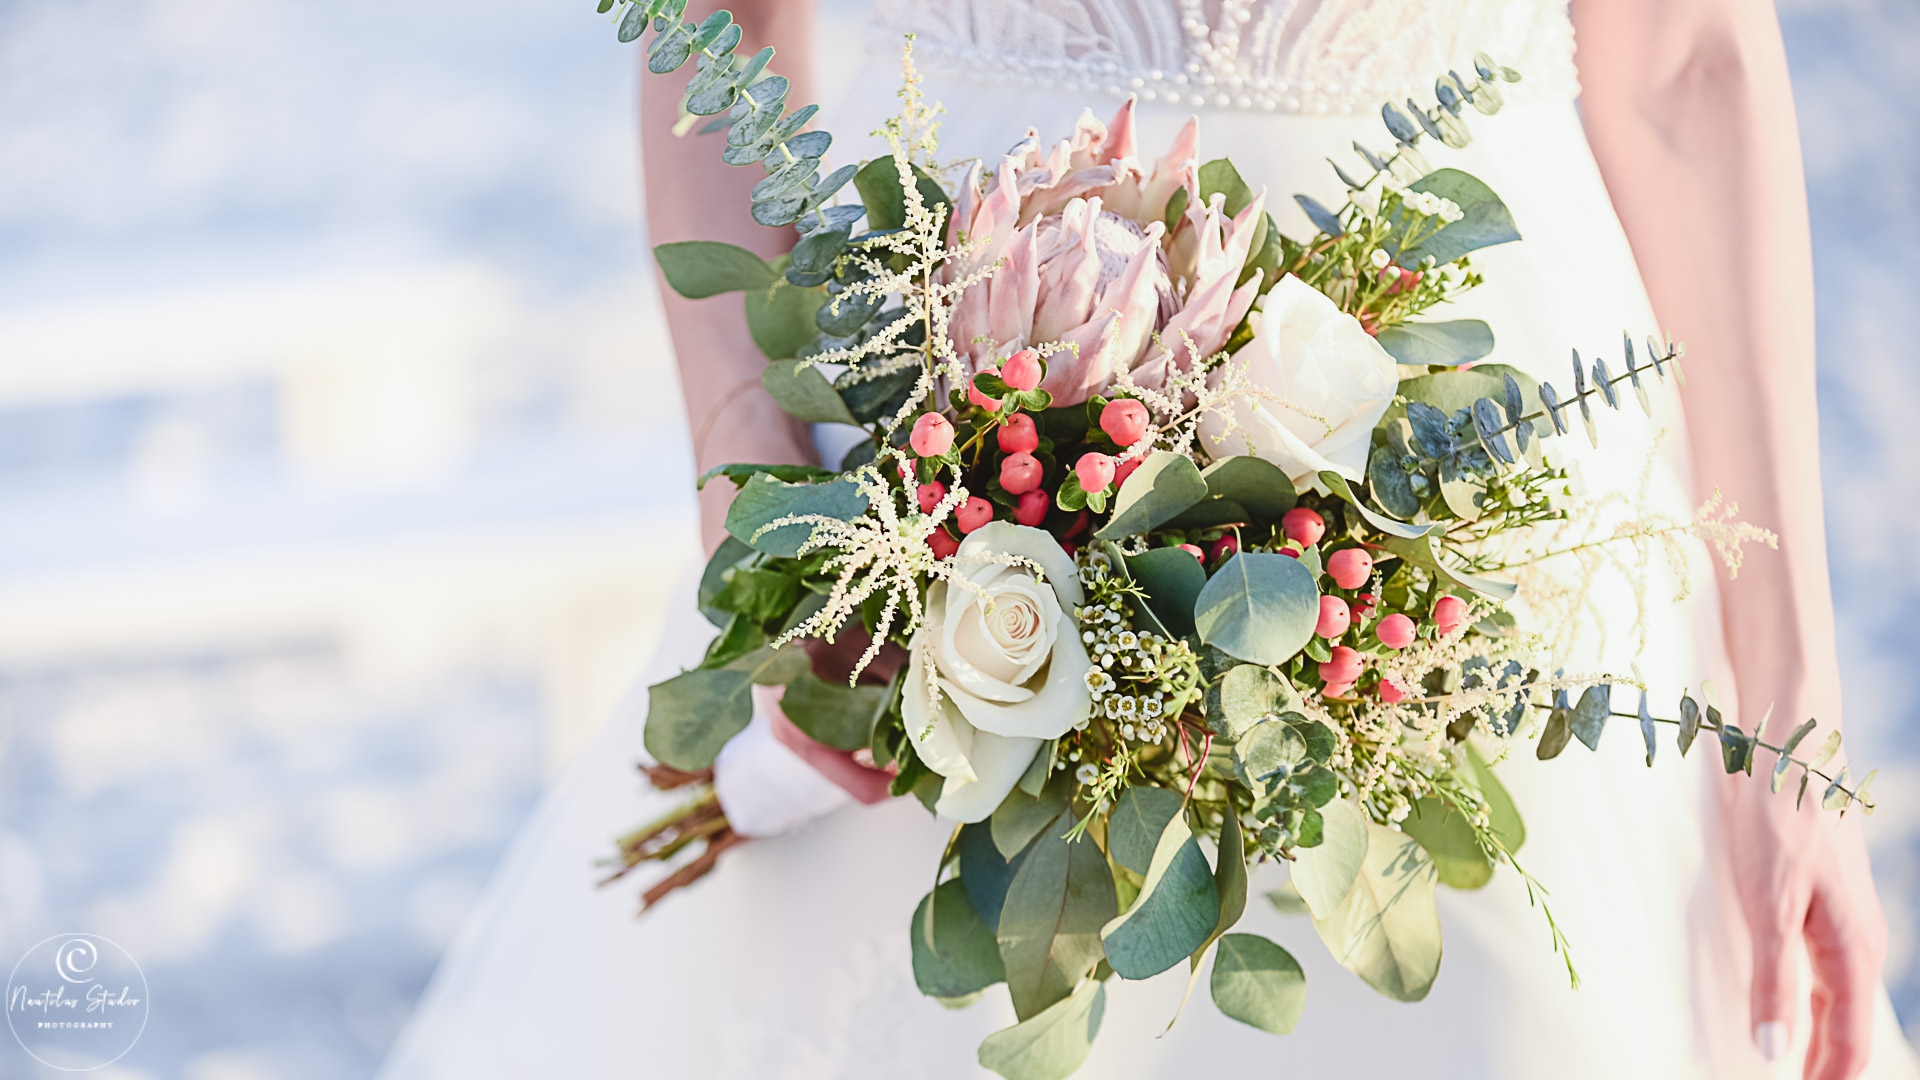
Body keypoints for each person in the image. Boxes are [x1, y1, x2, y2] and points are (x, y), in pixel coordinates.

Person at [380, 2, 1917, 1077]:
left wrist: (1787, 729)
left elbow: (1688, 62)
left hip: (1485, 437)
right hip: (951, 413)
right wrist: (757, 499)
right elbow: (711, 18)